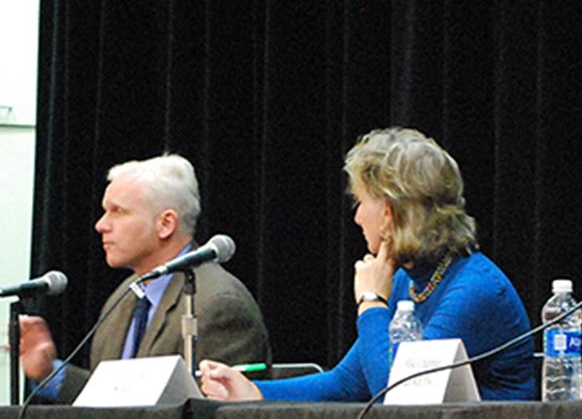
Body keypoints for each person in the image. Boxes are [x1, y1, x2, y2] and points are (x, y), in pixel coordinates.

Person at [200, 127, 536, 402]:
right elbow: (348, 382)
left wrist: (371, 302)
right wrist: (254, 391)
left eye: (362, 203)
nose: (358, 217)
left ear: (388, 212)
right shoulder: (406, 279)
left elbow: (398, 395)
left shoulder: (474, 291)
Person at [19, 154, 270, 402]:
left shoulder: (219, 305)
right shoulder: (125, 295)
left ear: (166, 224)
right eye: (105, 211)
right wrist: (48, 373)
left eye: (117, 211)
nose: (101, 225)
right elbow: (113, 403)